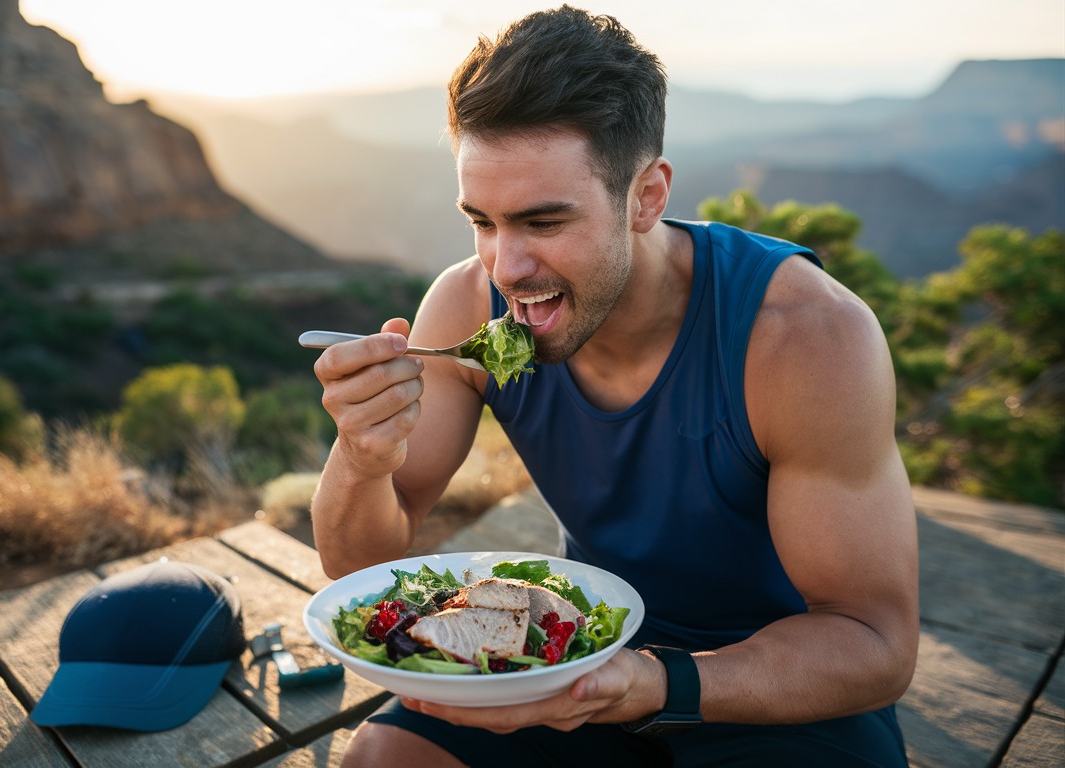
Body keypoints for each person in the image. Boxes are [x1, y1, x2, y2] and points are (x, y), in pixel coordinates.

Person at [309, 6, 919, 767]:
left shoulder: (805, 336)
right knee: (383, 759)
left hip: (774, 693)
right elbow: (357, 562)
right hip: (569, 655)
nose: (507, 267)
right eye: (483, 222)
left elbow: (874, 643)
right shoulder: (469, 306)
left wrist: (654, 681)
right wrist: (361, 459)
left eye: (543, 221)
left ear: (647, 197)